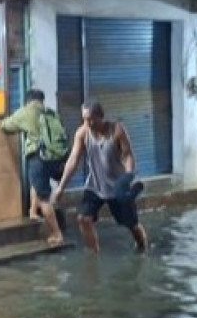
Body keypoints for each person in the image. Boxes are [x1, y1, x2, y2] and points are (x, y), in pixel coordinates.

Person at [52, 103, 147, 253]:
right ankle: (93, 253)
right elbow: (73, 160)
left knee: (131, 224)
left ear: (101, 117)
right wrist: (61, 187)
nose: (87, 123)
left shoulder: (116, 130)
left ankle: (142, 247)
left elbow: (127, 155)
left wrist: (128, 176)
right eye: (84, 119)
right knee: (83, 218)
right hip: (95, 186)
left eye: (91, 119)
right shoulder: (82, 133)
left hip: (117, 187)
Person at [1, 89, 66, 245]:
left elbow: (5, 126)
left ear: (28, 100)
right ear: (42, 100)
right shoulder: (51, 113)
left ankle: (57, 234)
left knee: (45, 199)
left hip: (38, 158)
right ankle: (32, 211)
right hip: (56, 158)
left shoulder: (26, 112)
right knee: (37, 183)